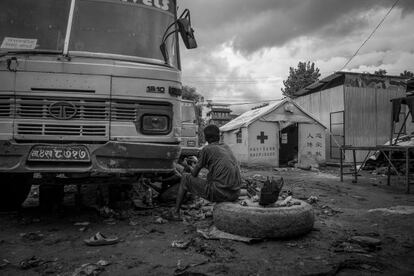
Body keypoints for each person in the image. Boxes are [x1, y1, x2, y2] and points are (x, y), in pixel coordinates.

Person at [173, 124, 241, 219]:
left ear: (206, 138)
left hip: (220, 193)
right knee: (208, 179)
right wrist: (201, 163)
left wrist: (185, 165)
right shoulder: (226, 147)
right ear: (219, 136)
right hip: (236, 193)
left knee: (185, 178)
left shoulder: (207, 149)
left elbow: (194, 174)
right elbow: (216, 167)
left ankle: (175, 213)